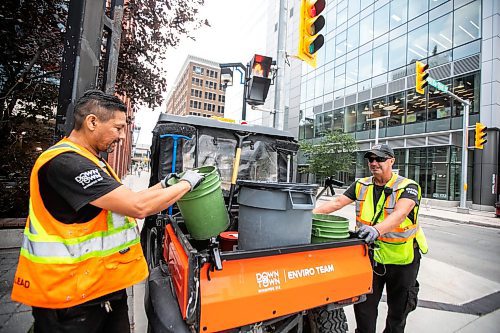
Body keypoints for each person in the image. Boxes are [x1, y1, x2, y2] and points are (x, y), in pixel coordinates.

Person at [11, 90, 204, 333]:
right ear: (92, 122)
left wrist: (167, 184)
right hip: (70, 299)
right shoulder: (67, 163)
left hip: (100, 290)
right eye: (118, 128)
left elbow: (129, 200)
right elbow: (139, 208)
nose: (122, 136)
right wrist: (188, 184)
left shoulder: (90, 160)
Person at [313, 144, 428, 333]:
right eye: (371, 159)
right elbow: (336, 203)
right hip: (371, 259)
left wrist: (377, 230)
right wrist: (306, 216)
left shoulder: (408, 187)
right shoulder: (361, 184)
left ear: (391, 161)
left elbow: (400, 214)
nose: (374, 163)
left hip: (403, 260)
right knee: (364, 311)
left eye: (380, 159)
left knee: (397, 315)